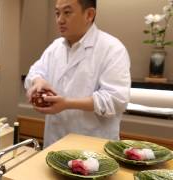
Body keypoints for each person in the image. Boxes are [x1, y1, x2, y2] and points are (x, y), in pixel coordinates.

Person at [25, 0, 131, 147]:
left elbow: (116, 100)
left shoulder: (112, 49)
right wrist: (38, 81)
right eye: (57, 13)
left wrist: (67, 103)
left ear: (89, 14)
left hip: (93, 147)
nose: (60, 20)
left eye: (67, 12)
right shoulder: (55, 47)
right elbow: (35, 71)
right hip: (54, 141)